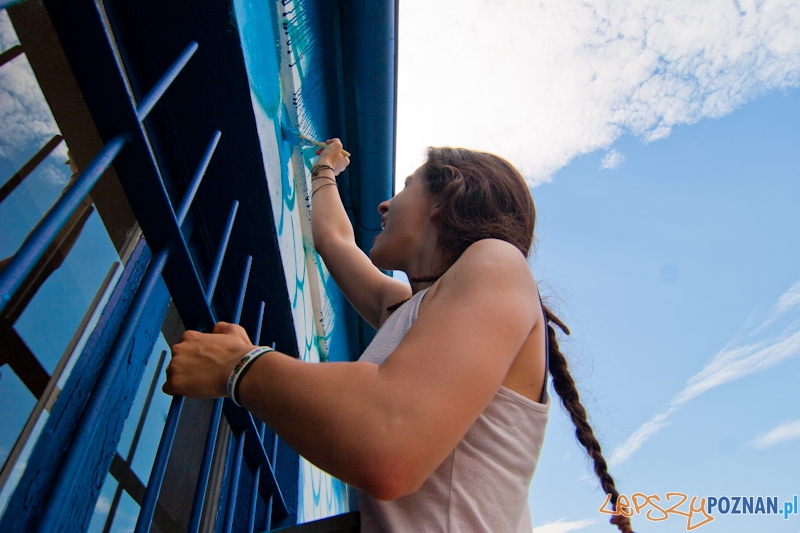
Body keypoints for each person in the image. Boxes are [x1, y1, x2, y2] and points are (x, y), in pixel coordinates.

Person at [164, 139, 634, 532]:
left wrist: (240, 367)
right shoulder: (409, 308)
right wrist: (324, 171)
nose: (385, 203)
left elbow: (389, 440)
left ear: (445, 199)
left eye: (407, 186)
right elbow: (334, 241)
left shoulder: (498, 262)